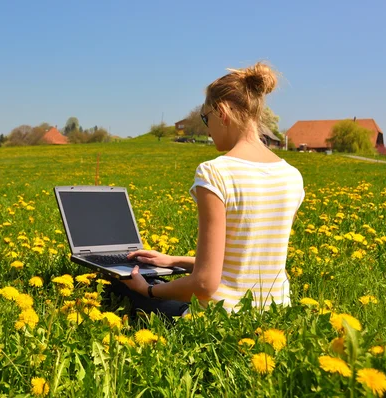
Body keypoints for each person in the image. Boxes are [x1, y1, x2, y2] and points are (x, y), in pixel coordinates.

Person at [119, 62, 305, 319]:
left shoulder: (215, 173)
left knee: (120, 285)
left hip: (221, 320)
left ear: (222, 112)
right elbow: (246, 262)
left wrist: (149, 290)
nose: (207, 128)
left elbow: (204, 285)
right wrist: (173, 260)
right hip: (273, 317)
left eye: (206, 118)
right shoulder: (292, 176)